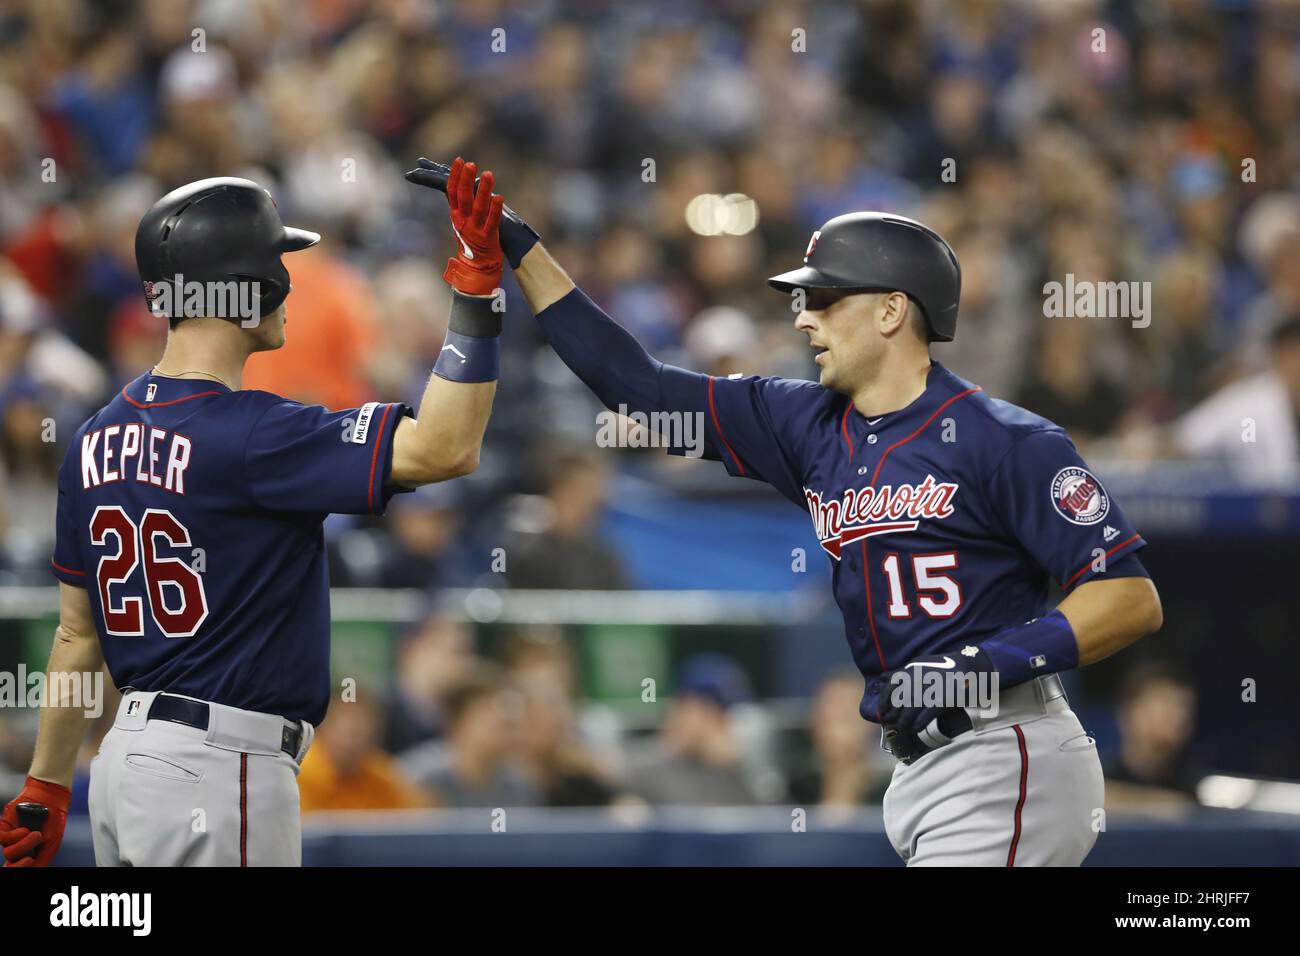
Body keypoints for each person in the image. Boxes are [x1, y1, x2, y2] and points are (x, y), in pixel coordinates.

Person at [406, 158, 1163, 866]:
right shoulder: (805, 423)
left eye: (827, 300)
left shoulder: (1009, 440)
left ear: (894, 310)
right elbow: (635, 386)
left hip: (1007, 744)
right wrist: (521, 249)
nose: (805, 318)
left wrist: (976, 666)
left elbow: (1129, 598)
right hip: (923, 765)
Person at [0, 165, 507, 866]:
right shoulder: (254, 432)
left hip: (123, 767)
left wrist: (47, 785)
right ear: (237, 282)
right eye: (274, 261)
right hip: (219, 765)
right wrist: (478, 290)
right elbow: (447, 448)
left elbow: (76, 639)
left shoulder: (91, 439)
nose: (287, 280)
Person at [623, 654, 762, 807]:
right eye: (709, 714)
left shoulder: (747, 775)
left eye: (722, 717)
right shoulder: (649, 771)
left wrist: (731, 765)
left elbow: (774, 819)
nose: (720, 727)